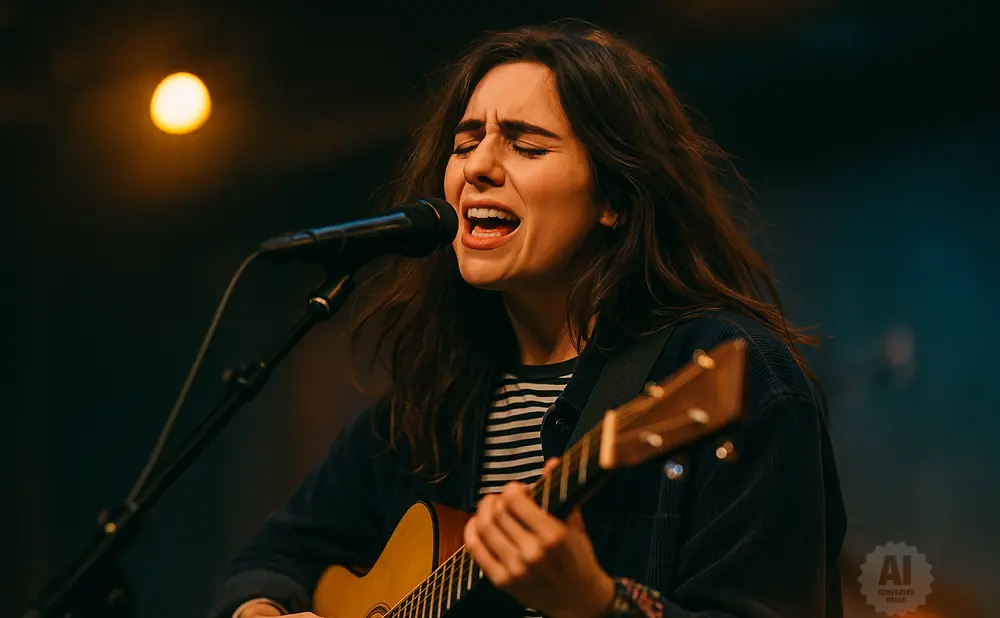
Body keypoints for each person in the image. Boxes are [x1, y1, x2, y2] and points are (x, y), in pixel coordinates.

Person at [207, 19, 847, 618]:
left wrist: (595, 603)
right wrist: (258, 610)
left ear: (614, 198)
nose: (478, 167)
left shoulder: (727, 374)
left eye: (526, 146)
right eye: (465, 144)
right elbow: (267, 561)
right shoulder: (428, 406)